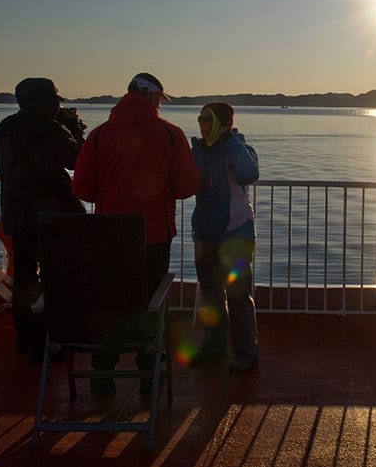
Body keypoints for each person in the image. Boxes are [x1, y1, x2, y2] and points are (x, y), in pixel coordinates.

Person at [72, 71, 199, 395]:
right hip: (154, 238)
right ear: (152, 98)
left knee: (108, 303)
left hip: (107, 237)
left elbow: (83, 189)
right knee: (150, 303)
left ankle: (102, 373)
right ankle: (148, 371)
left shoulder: (99, 135)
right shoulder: (171, 135)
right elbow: (186, 187)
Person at [0, 77, 86, 363]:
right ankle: (52, 338)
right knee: (55, 276)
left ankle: (26, 339)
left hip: (17, 214)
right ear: (47, 101)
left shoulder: (6, 128)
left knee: (23, 278)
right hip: (51, 215)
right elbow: (77, 160)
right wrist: (74, 129)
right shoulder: (51, 129)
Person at [191, 102, 260, 372]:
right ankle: (214, 345)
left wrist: (229, 141)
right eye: (199, 118)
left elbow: (249, 173)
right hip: (205, 233)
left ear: (221, 123)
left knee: (239, 294)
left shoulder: (240, 148)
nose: (201, 123)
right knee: (210, 293)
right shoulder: (198, 152)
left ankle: (245, 352)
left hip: (237, 233)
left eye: (207, 119)